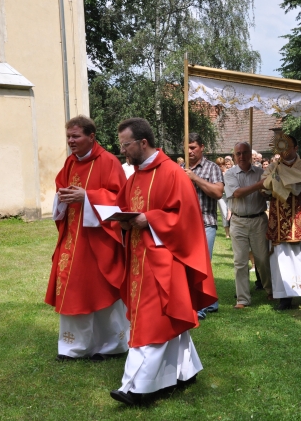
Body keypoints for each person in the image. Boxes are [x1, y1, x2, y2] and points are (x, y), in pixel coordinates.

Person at [110, 118, 217, 405]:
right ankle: (185, 370)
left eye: (126, 145)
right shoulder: (133, 178)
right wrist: (121, 221)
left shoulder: (173, 174)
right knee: (166, 320)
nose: (123, 151)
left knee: (151, 322)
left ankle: (136, 387)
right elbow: (123, 209)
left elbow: (186, 219)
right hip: (137, 260)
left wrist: (151, 219)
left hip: (163, 261)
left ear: (142, 143)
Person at [45, 115, 129, 362]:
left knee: (103, 290)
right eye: (69, 137)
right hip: (73, 239)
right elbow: (61, 187)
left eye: (76, 136)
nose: (71, 141)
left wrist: (88, 197)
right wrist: (62, 196)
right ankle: (73, 347)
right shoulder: (70, 162)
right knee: (73, 290)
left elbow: (119, 200)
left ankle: (112, 345)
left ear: (91, 137)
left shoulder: (109, 161)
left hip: (100, 239)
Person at [262, 134, 301, 310]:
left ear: (296, 148)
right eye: (281, 148)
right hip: (279, 217)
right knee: (281, 258)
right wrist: (271, 185)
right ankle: (284, 297)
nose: (284, 151)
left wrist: (299, 179)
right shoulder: (273, 167)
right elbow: (264, 185)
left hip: (299, 216)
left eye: (288, 147)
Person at [225, 142, 273, 308]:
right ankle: (243, 299)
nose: (242, 156)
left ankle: (270, 290)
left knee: (262, 259)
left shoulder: (261, 172)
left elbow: (269, 194)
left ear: (251, 156)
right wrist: (259, 185)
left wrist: (266, 188)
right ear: (234, 156)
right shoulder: (230, 174)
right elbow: (237, 193)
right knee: (240, 261)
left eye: (245, 153)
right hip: (238, 221)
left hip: (258, 219)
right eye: (238, 153)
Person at [184, 133, 224, 319]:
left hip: (205, 223)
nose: (190, 151)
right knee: (187, 266)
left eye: (193, 147)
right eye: (187, 147)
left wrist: (195, 178)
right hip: (184, 225)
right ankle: (210, 303)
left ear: (202, 147)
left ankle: (199, 308)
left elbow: (217, 192)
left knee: (201, 265)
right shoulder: (179, 168)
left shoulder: (212, 167)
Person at [215, 157, 231, 238]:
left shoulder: (229, 172)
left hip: (229, 195)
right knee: (224, 213)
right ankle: (227, 233)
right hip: (221, 196)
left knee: (230, 213)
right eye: (218, 165)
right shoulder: (216, 173)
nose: (220, 166)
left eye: (222, 165)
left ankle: (232, 231)